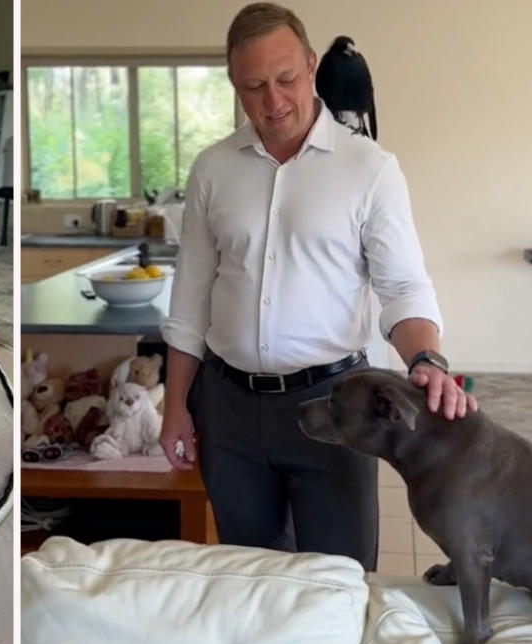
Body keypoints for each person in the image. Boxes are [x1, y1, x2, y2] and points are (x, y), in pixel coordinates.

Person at [157, 2, 477, 571]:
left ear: (310, 65)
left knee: (342, 579)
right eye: (253, 87)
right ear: (234, 84)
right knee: (250, 577)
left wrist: (425, 358)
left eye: (285, 79)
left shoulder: (369, 168)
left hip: (337, 406)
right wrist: (175, 407)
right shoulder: (213, 169)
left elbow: (403, 286)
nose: (273, 102)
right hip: (227, 410)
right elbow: (190, 300)